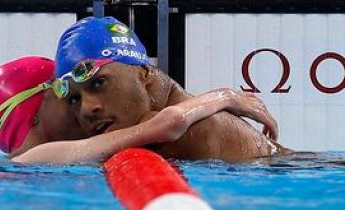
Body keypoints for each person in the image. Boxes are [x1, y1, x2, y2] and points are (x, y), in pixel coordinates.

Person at [54, 16, 290, 162]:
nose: (87, 109)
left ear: (144, 72)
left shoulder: (196, 129)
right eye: (74, 99)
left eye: (98, 83)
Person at [0, 56, 279, 164]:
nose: (84, 108)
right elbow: (167, 123)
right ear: (35, 115)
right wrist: (225, 96)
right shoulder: (35, 160)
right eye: (68, 96)